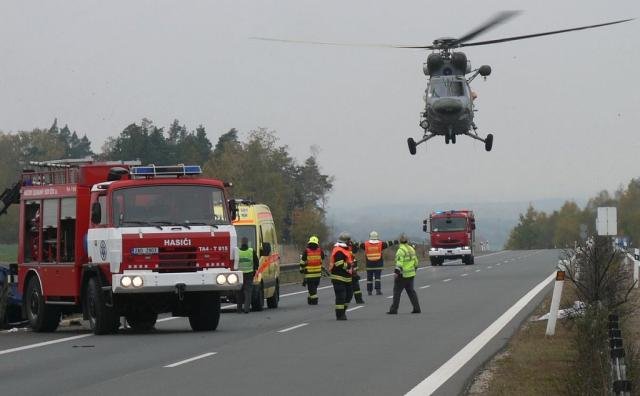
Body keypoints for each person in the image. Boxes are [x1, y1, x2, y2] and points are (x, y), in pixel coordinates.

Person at [387, 233, 421, 315]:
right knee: (411, 292)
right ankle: (417, 308)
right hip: (411, 274)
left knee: (397, 292)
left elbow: (399, 263)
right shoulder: (411, 249)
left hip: (402, 275)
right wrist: (415, 269)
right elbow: (416, 262)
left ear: (399, 241)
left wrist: (396, 272)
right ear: (407, 241)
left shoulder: (400, 250)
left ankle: (394, 310)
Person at [358, 231, 398, 296]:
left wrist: (351, 242)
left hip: (369, 265)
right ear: (377, 237)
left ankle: (369, 291)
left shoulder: (366, 244)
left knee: (369, 279)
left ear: (370, 237)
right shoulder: (381, 244)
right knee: (377, 278)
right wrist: (397, 241)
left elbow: (359, 244)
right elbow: (389, 243)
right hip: (378, 264)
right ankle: (378, 291)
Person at [329, 232, 354, 320]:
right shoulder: (338, 250)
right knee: (341, 296)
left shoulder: (346, 249)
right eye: (349, 240)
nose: (350, 242)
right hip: (338, 277)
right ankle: (340, 315)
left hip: (347, 277)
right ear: (345, 241)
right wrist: (348, 265)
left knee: (349, 295)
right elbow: (338, 263)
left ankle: (342, 312)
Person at [299, 235, 325, 305]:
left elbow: (302, 262)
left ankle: (314, 300)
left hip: (309, 274)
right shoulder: (320, 251)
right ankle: (310, 299)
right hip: (318, 274)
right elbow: (322, 259)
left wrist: (301, 269)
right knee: (314, 288)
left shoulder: (306, 251)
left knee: (311, 288)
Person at [237, 236, 259, 313]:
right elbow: (256, 262)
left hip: (239, 275)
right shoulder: (251, 251)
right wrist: (254, 271)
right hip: (249, 274)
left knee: (239, 292)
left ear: (241, 243)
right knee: (248, 292)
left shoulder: (237, 251)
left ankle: (239, 309)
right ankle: (246, 309)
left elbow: (234, 263)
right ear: (247, 243)